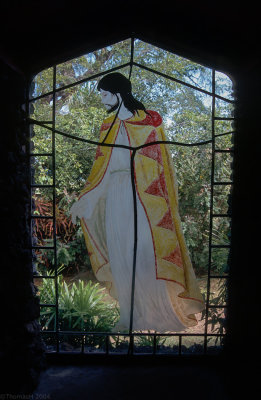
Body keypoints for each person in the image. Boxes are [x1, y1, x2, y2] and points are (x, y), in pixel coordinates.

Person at [70, 72, 204, 332]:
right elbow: (102, 170)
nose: (102, 100)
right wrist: (85, 201)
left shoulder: (149, 123)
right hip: (116, 197)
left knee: (145, 255)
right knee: (121, 256)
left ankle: (158, 313)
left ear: (118, 94)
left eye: (105, 94)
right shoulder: (107, 127)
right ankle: (130, 315)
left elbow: (162, 168)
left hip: (144, 200)